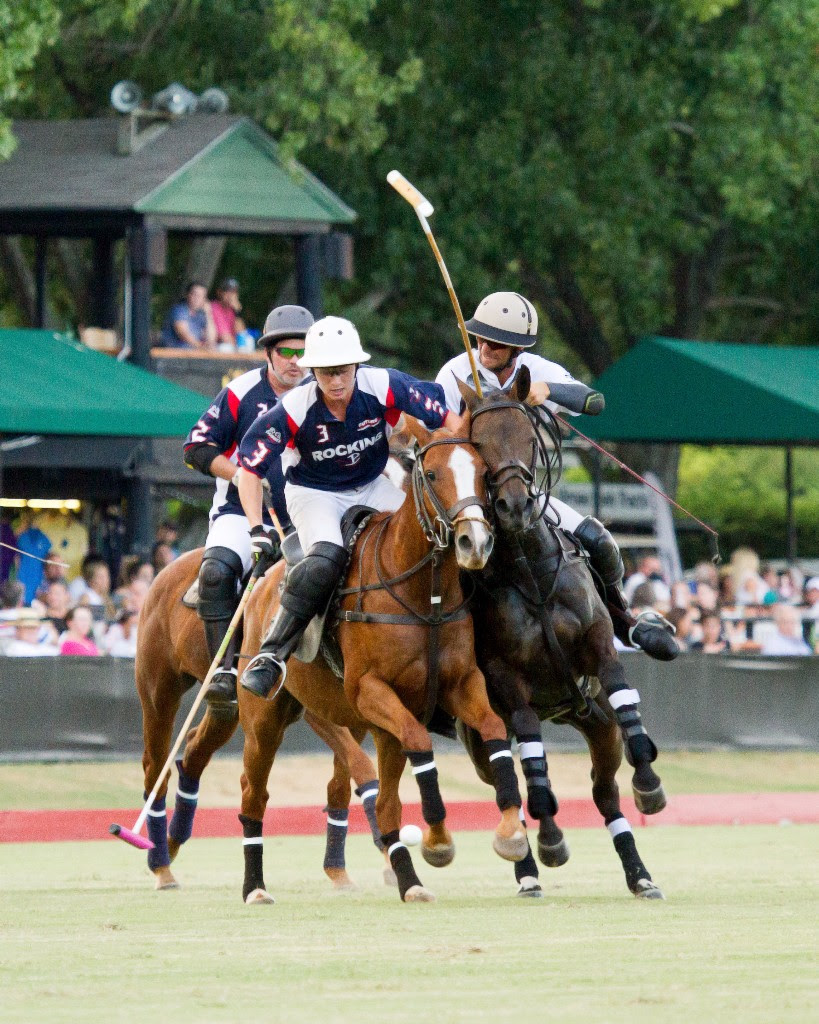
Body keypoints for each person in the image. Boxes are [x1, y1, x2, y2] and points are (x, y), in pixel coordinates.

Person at [435, 291, 677, 661]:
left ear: (517, 350)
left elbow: (595, 401)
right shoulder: (454, 373)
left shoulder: (536, 369)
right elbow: (439, 437)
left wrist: (545, 390)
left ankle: (624, 620)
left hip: (521, 497)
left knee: (598, 540)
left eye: (497, 342)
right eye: (480, 336)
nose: (485, 345)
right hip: (467, 502)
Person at [237, 314, 462, 699]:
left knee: (431, 533)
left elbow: (449, 421)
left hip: (371, 484)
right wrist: (257, 528)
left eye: (342, 371)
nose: (336, 382)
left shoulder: (384, 385)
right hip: (314, 493)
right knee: (327, 557)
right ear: (313, 372)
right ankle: (272, 654)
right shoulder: (295, 407)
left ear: (357, 365)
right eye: (325, 374)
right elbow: (248, 469)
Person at [182, 304, 315, 710]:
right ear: (269, 354)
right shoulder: (240, 392)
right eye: (286, 353)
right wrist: (239, 475)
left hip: (307, 515)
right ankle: (222, 670)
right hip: (241, 513)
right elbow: (196, 447)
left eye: (303, 353)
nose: (295, 362)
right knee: (217, 569)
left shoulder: (327, 394)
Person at [159, 282, 217, 350]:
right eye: (194, 294)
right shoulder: (179, 310)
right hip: (173, 353)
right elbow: (182, 333)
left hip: (191, 353)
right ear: (187, 295)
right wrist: (201, 347)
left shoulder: (201, 315)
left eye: (201, 296)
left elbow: (211, 339)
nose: (197, 298)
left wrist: (208, 314)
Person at [210, 278, 245, 351]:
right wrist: (238, 344)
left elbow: (241, 334)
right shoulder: (213, 307)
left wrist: (237, 313)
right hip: (215, 345)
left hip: (231, 344)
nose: (230, 295)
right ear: (219, 292)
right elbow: (223, 336)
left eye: (234, 292)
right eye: (227, 291)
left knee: (246, 346)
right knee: (225, 348)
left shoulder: (233, 310)